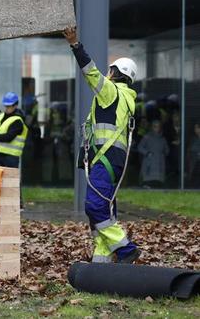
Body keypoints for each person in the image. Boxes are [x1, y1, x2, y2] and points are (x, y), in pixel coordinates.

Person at [63, 26, 140, 264]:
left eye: (111, 70)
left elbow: (90, 72)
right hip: (113, 162)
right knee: (105, 210)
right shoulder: (127, 99)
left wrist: (75, 44)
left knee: (95, 206)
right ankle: (101, 262)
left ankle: (126, 249)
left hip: (105, 161)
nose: (107, 73)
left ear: (117, 73)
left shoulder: (112, 92)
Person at [0, 92, 27, 168]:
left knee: (9, 179)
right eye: (6, 105)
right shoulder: (0, 116)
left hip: (10, 157)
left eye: (9, 106)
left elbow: (8, 137)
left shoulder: (18, 120)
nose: (7, 108)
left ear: (15, 105)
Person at [137, 120, 169, 187]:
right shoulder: (147, 137)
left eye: (158, 126)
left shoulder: (162, 139)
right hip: (149, 163)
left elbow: (167, 150)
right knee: (148, 181)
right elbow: (140, 147)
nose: (157, 128)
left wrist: (163, 154)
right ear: (152, 127)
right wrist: (147, 153)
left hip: (159, 164)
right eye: (155, 126)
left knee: (158, 183)